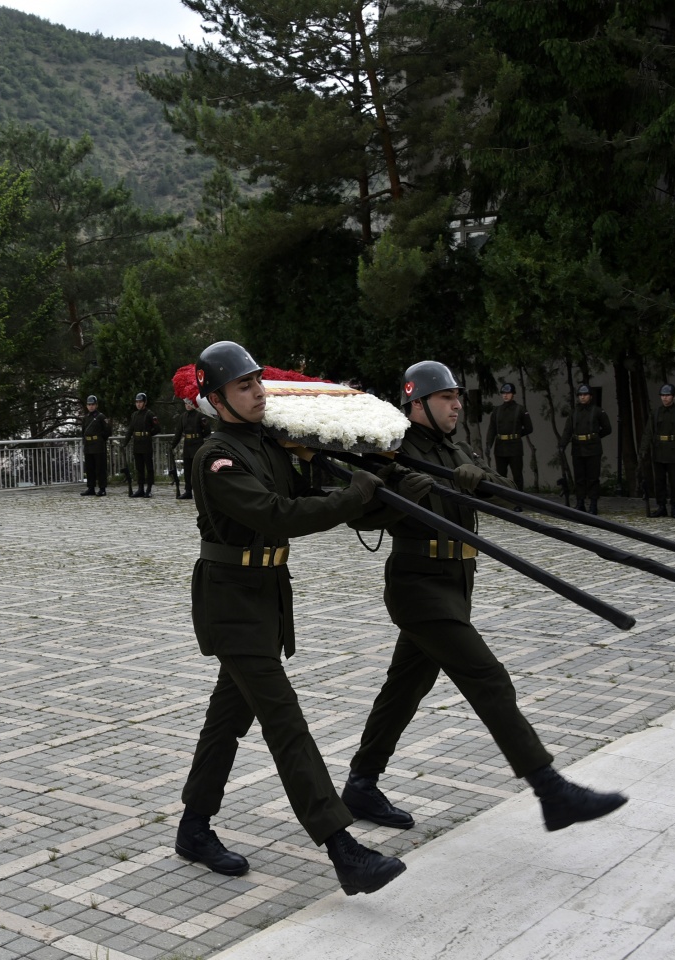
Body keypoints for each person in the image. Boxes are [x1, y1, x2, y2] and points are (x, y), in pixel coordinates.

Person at [340, 361, 627, 838]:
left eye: (457, 397)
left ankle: (361, 783)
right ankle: (550, 790)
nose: (456, 405)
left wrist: (481, 483)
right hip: (418, 583)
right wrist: (394, 496)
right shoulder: (393, 446)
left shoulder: (457, 446)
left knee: (405, 689)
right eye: (446, 397)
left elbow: (509, 497)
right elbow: (358, 514)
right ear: (417, 403)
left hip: (458, 580)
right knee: (489, 679)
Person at [176, 340, 406, 897]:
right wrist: (353, 497)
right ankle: (342, 848)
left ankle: (193, 827)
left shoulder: (269, 446)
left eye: (258, 383)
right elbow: (277, 513)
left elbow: (314, 492)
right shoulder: (218, 456)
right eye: (243, 387)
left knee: (226, 722)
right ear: (216, 399)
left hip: (265, 598)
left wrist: (377, 481)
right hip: (232, 604)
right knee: (286, 724)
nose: (258, 393)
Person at [642, 384, 675, 518]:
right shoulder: (655, 412)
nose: (665, 398)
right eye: (663, 396)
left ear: (674, 396)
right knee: (659, 480)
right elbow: (648, 432)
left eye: (667, 395)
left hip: (673, 450)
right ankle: (661, 506)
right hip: (659, 449)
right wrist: (644, 449)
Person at [559, 385, 612, 514]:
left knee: (593, 478)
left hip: (593, 448)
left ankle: (593, 504)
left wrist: (596, 437)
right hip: (578, 447)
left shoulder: (598, 411)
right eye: (580, 395)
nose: (582, 397)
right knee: (579, 478)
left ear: (590, 396)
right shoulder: (574, 413)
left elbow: (607, 428)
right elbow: (568, 430)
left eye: (585, 394)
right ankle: (580, 502)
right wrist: (562, 445)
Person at [487, 383, 533, 494]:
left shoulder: (520, 410)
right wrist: (488, 444)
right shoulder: (497, 410)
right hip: (500, 446)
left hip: (514, 446)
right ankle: (504, 499)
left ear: (513, 394)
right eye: (503, 393)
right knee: (501, 475)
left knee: (517, 475)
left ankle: (519, 500)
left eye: (508, 393)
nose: (505, 395)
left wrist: (516, 435)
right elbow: (492, 429)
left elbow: (529, 428)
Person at [124, 392, 160, 498]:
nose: (138, 404)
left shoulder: (150, 414)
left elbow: (157, 428)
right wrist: (125, 443)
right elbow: (130, 429)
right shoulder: (134, 415)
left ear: (145, 403)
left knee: (148, 467)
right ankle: (140, 488)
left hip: (146, 443)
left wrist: (148, 434)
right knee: (139, 468)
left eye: (140, 402)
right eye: (137, 402)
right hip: (137, 443)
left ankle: (148, 488)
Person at [176, 397, 209, 500]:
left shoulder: (200, 415)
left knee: (198, 469)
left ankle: (200, 491)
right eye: (186, 403)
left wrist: (199, 437)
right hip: (187, 444)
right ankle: (188, 491)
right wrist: (172, 445)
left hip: (197, 444)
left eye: (189, 403)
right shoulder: (183, 416)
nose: (187, 405)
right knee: (187, 470)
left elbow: (207, 430)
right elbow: (178, 432)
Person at [80, 395, 110, 497]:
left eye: (92, 404)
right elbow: (83, 431)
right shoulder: (86, 418)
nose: (91, 406)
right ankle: (91, 488)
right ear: (87, 406)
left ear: (96, 405)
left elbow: (107, 431)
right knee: (90, 468)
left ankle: (102, 488)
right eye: (89, 405)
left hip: (98, 445)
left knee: (100, 468)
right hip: (88, 445)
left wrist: (100, 439)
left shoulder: (101, 416)